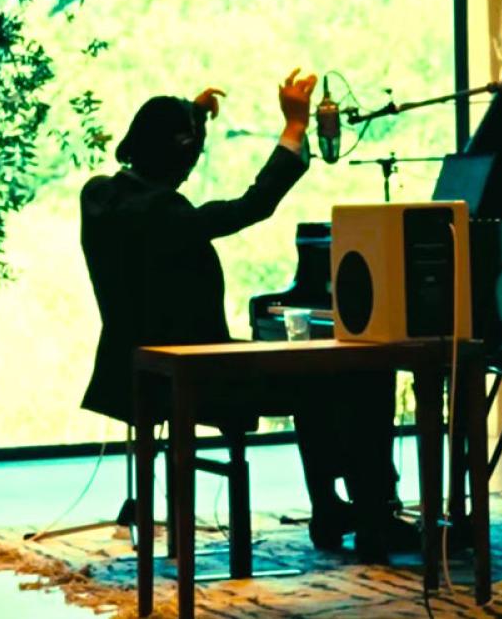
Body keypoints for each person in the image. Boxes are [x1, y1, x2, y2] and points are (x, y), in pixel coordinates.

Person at [79, 70, 412, 561]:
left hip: (137, 374)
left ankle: (334, 510)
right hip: (201, 379)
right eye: (192, 153)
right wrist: (295, 127)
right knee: (358, 370)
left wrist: (190, 116)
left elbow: (160, 149)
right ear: (177, 153)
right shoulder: (166, 215)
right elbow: (253, 205)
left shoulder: (99, 196)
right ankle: (370, 515)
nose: (193, 167)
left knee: (318, 375)